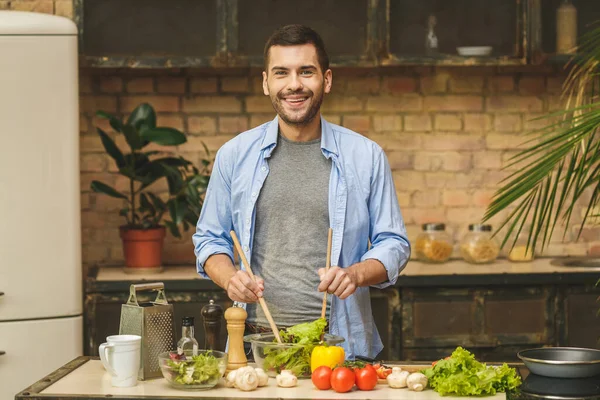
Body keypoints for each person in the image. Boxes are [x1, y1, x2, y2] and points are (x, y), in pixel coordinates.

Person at [192, 24, 410, 358]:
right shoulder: (234, 156)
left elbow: (394, 243)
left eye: (306, 71)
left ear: (327, 79)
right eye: (282, 73)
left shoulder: (365, 156)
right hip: (256, 345)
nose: (294, 84)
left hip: (339, 345)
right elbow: (210, 240)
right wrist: (230, 278)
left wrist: (355, 274)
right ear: (266, 83)